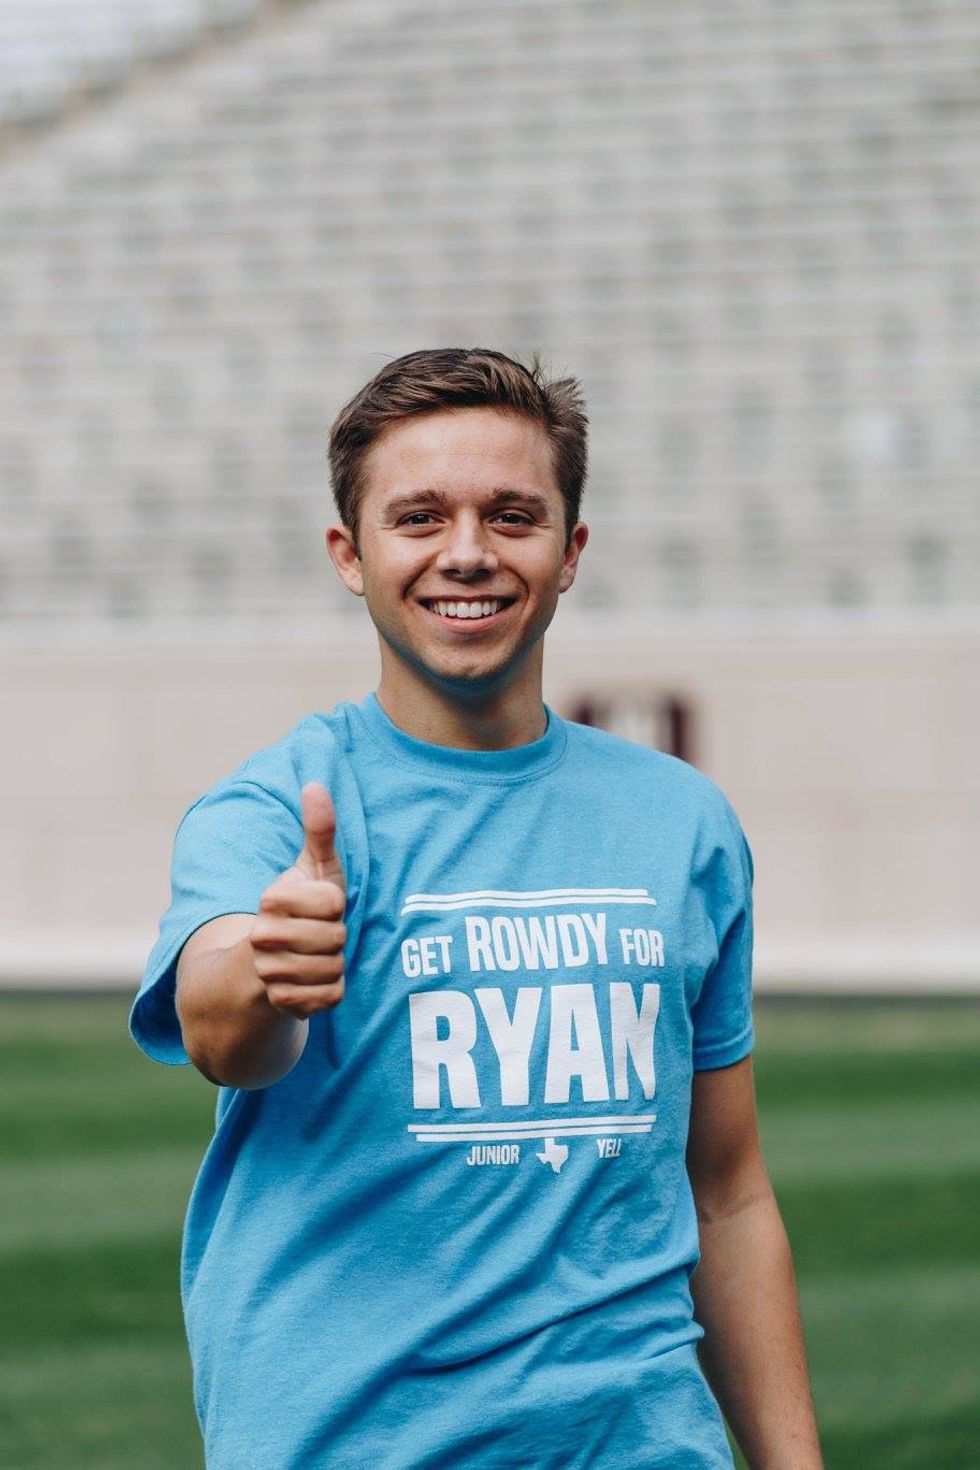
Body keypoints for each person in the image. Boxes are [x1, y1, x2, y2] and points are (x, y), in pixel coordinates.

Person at [131, 347, 823, 1469]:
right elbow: (222, 1033)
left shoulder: (682, 820)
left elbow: (727, 1194)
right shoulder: (274, 807)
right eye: (419, 518)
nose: (467, 552)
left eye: (511, 515)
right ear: (349, 556)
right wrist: (268, 971)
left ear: (570, 551)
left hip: (641, 1441)